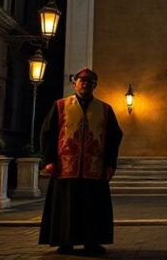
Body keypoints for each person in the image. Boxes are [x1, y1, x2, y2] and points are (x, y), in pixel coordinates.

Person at [39, 68, 123, 256]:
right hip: (66, 167)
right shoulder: (61, 106)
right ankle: (65, 242)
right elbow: (47, 133)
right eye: (82, 81)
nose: (85, 84)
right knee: (66, 207)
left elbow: (114, 137)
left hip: (94, 168)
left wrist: (110, 164)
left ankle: (92, 243)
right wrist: (49, 160)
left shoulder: (105, 109)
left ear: (95, 86)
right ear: (75, 83)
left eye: (90, 82)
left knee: (92, 208)